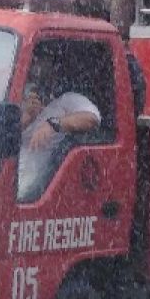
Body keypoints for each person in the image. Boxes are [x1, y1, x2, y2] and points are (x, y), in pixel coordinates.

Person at [17, 56, 101, 201]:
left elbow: (92, 118)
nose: (38, 73)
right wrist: (26, 118)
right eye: (34, 67)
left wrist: (54, 124)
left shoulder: (66, 100)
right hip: (4, 178)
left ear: (56, 73)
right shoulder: (15, 100)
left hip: (37, 189)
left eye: (45, 68)